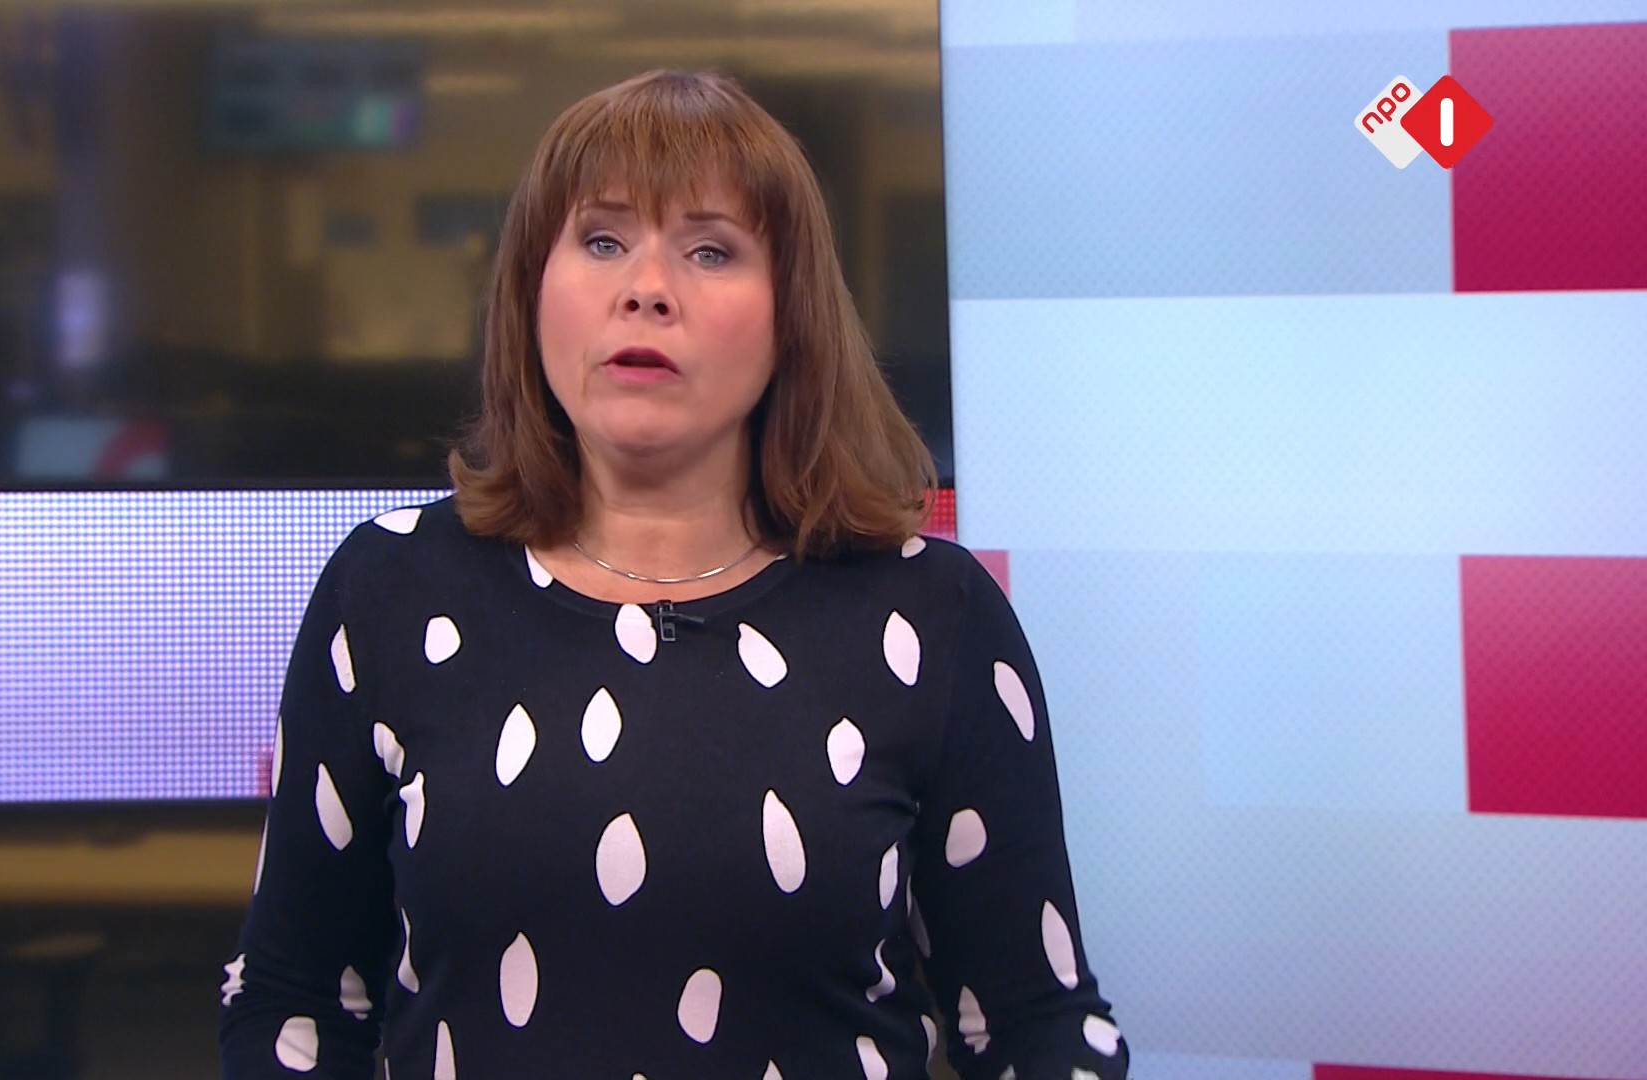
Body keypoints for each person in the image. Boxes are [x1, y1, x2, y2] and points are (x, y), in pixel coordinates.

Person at [219, 68, 1128, 1080]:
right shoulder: (388, 590)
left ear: (791, 316)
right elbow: (297, 1003)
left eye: (710, 250)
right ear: (531, 292)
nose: (646, 288)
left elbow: (1036, 1027)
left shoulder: (935, 616)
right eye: (603, 240)